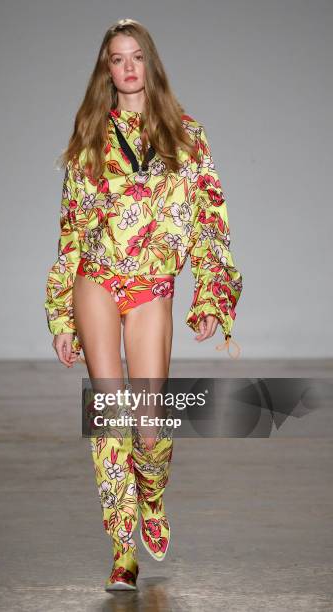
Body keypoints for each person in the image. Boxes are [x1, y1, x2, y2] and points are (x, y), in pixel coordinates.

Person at [44, 18, 243, 591]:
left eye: (135, 57)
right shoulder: (89, 135)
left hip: (152, 282)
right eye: (116, 58)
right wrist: (62, 315)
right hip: (96, 278)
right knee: (110, 413)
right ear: (105, 68)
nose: (127, 67)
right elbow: (72, 229)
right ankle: (121, 547)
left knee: (149, 426)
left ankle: (150, 493)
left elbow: (210, 219)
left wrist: (212, 294)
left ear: (150, 63)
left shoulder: (186, 135)